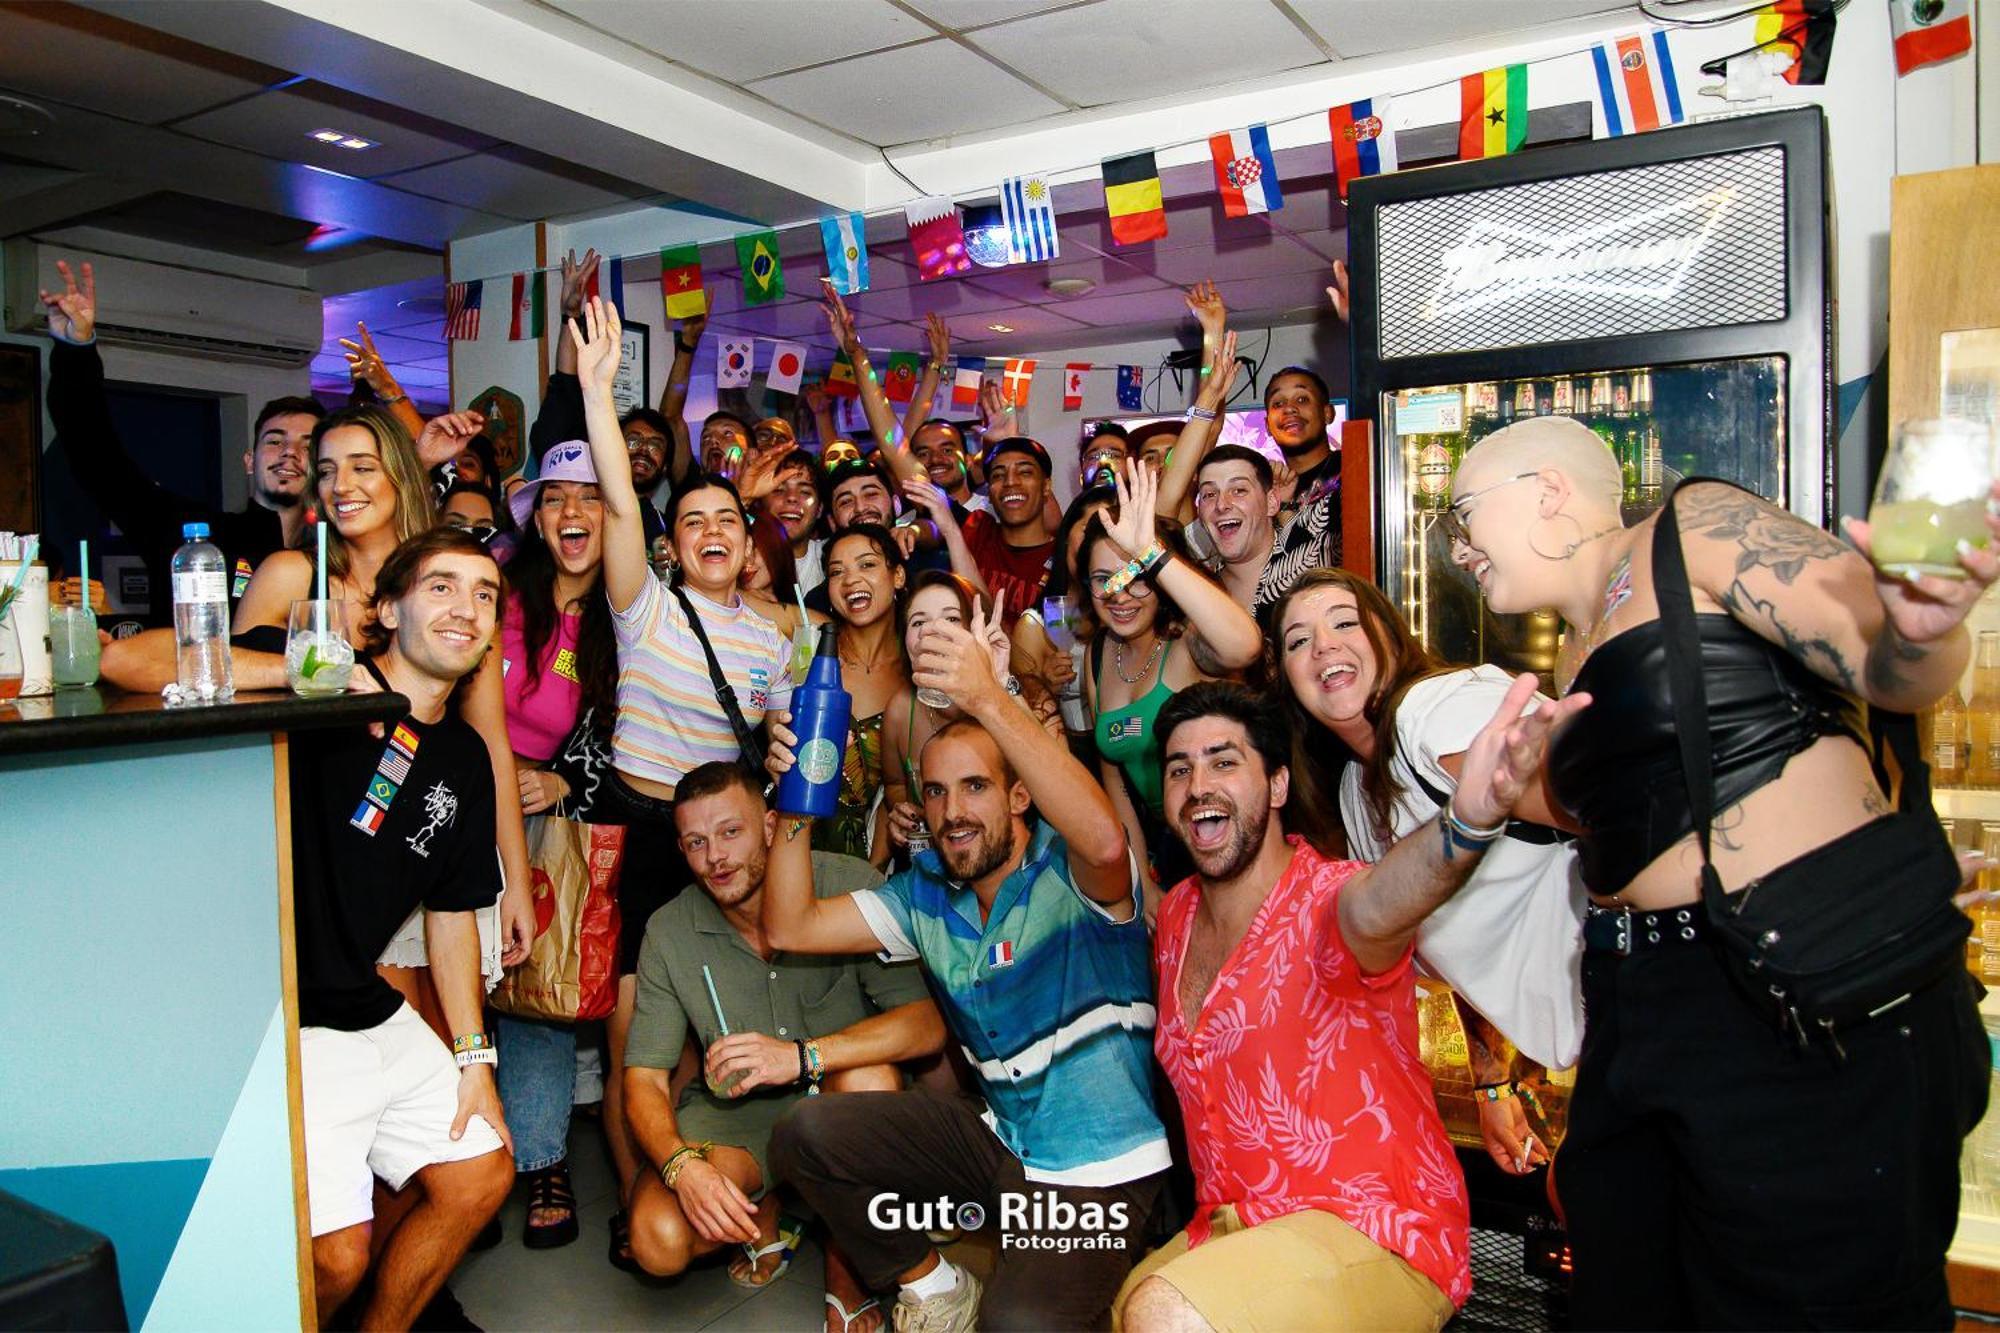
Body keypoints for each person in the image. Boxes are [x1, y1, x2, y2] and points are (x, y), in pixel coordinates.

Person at [1448, 415, 2000, 1327]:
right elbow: (1624, 809)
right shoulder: (1574, 645)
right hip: (1640, 1002)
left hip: (1784, 991)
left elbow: (1885, 657)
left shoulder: (1690, 528)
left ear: (1547, 491)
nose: (1462, 548)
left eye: (1467, 516)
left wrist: (1923, 625)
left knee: (1816, 1303)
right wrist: (1505, 789)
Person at [1113, 677, 1586, 1333]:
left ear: (1277, 785)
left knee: (1168, 1316)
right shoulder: (1179, 919)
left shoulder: (1335, 900)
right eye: (1179, 769)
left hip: (1375, 1231)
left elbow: (1390, 896)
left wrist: (1468, 821)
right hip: (1230, 1230)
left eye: (1225, 761)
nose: (1199, 786)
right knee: (1123, 1305)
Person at [762, 598, 1166, 1333]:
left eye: (976, 786)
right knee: (805, 1135)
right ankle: (935, 1283)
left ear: (1019, 795)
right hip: (1002, 1152)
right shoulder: (927, 896)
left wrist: (988, 694)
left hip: (1103, 1178)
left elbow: (1109, 845)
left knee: (1017, 1324)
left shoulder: (1070, 869)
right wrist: (795, 797)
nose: (953, 810)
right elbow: (791, 923)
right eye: (937, 790)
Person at [571, 295, 797, 1269]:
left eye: (726, 520)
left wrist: (786, 765)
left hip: (714, 840)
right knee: (633, 1035)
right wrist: (593, 387)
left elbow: (781, 753)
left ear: (749, 548)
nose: (709, 528)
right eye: (693, 517)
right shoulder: (642, 608)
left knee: (709, 1014)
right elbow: (621, 498)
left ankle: (720, 1179)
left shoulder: (772, 641)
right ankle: (640, 1195)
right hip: (633, 830)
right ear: (675, 544)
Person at [1271, 568, 1585, 1172]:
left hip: (1660, 993)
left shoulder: (1431, 711)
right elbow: (1461, 944)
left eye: (1344, 622)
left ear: (1390, 636)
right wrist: (1493, 1085)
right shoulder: (1355, 795)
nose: (1324, 645)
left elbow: (1617, 810)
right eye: (1297, 640)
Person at [623, 761, 945, 1333]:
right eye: (696, 842)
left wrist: (801, 1055)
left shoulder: (848, 883)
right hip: (737, 1116)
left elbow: (924, 1026)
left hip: (839, 1098)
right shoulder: (670, 929)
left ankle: (845, 1276)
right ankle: (770, 1206)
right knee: (657, 1240)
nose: (715, 857)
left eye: (730, 832)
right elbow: (644, 1078)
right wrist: (679, 1168)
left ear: (771, 826)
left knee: (868, 1082)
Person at [292, 526, 518, 1329]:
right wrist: (304, 676)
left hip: (365, 1003)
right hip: (289, 1017)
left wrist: (474, 1058)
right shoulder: (314, 704)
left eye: (484, 592)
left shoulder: (463, 756)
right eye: (443, 586)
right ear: (386, 608)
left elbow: (452, 916)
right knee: (335, 1257)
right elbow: (135, 665)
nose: (467, 607)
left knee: (482, 1171)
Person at [487, 438, 623, 1250]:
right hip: (462, 805)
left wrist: (565, 780)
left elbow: (634, 727)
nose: (571, 513)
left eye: (589, 496)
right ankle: (445, 1159)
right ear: (536, 518)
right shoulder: (498, 592)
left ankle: (541, 1161)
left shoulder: (626, 614)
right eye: (554, 497)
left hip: (547, 824)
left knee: (530, 982)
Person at [41, 258, 320, 621]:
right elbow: (96, 455)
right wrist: (75, 350)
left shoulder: (333, 556)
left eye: (307, 444)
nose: (289, 453)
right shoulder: (194, 537)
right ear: (249, 460)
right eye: (275, 440)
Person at [1079, 464, 1261, 911]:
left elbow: (1245, 647)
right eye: (1104, 580)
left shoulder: (1187, 640)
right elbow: (1114, 778)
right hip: (1165, 848)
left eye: (1134, 575)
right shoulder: (1098, 652)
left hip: (1231, 834)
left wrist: (1152, 555)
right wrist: (1142, 881)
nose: (1118, 595)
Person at [815, 525, 909, 867]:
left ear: (897, 575)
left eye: (867, 565)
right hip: (803, 855)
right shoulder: (813, 658)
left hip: (884, 871)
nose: (851, 579)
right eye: (837, 572)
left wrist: (871, 876)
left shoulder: (919, 670)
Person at [963, 437, 1058, 632]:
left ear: (1046, 487)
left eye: (1024, 472)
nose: (1010, 482)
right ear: (989, 491)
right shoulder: (978, 530)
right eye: (998, 475)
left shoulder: (1064, 557)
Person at [758, 450, 828, 596]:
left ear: (819, 509)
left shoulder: (831, 556)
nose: (791, 497)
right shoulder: (744, 562)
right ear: (760, 501)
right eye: (778, 489)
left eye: (805, 492)